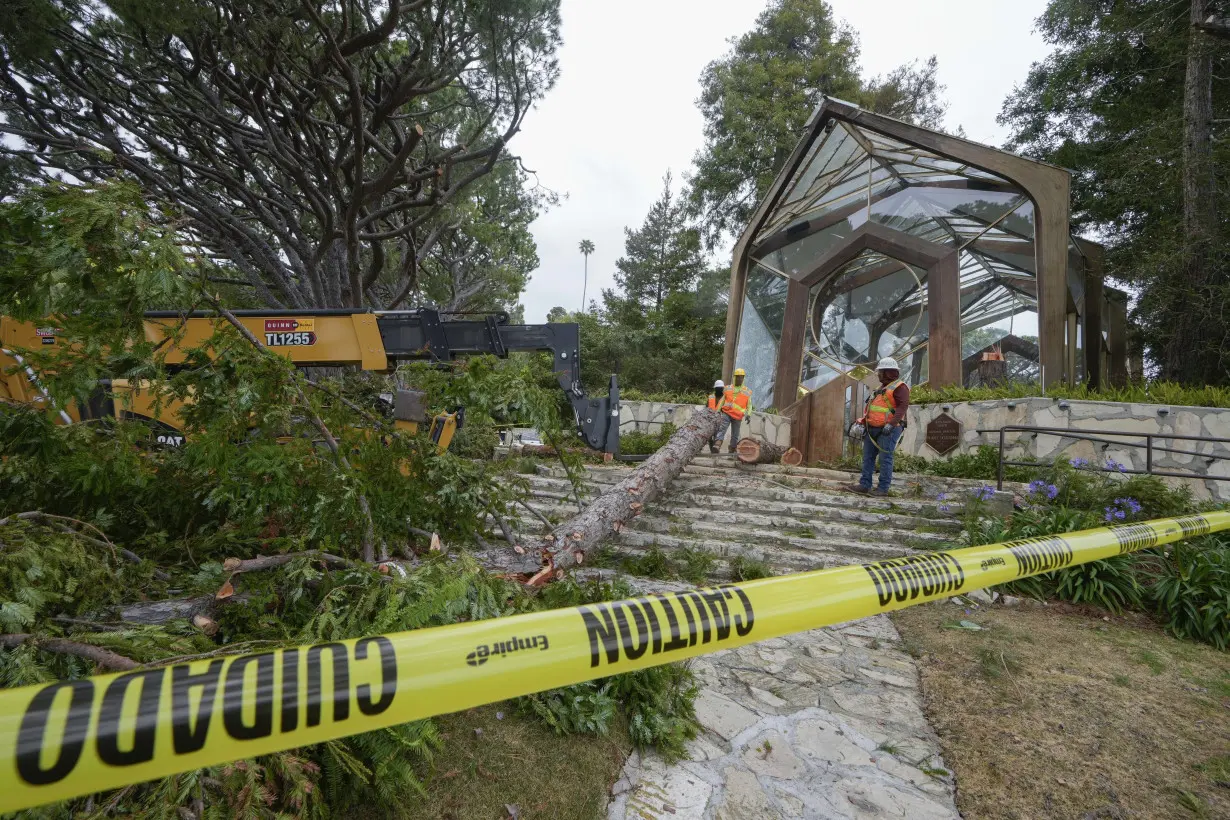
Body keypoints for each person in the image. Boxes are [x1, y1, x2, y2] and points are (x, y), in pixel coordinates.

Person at [850, 357, 909, 496]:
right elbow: (872, 407)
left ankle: (883, 489)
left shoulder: (900, 387)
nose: (878, 374)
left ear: (888, 372)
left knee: (885, 458)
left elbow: (902, 407)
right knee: (868, 457)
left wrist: (891, 424)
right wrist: (863, 422)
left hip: (888, 429)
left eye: (880, 371)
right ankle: (865, 485)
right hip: (872, 429)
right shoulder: (880, 388)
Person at [709, 369, 753, 453]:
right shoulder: (728, 388)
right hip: (727, 413)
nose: (739, 379)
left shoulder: (747, 391)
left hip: (738, 416)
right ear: (734, 377)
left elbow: (749, 404)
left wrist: (749, 414)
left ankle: (732, 449)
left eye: (741, 377)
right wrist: (717, 411)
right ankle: (717, 445)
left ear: (743, 378)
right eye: (738, 377)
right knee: (722, 429)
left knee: (735, 435)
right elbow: (722, 401)